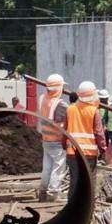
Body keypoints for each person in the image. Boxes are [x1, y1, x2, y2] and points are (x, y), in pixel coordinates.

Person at [65, 80, 108, 198]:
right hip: (88, 153)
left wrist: (65, 145)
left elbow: (65, 131)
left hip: (72, 152)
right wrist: (103, 149)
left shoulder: (70, 109)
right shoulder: (94, 111)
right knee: (89, 182)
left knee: (74, 181)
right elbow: (99, 133)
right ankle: (87, 208)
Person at [37, 74, 69, 202]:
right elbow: (69, 116)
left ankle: (43, 192)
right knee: (58, 168)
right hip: (56, 141)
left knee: (47, 167)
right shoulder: (60, 104)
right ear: (58, 88)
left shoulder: (42, 98)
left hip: (45, 139)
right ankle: (53, 193)